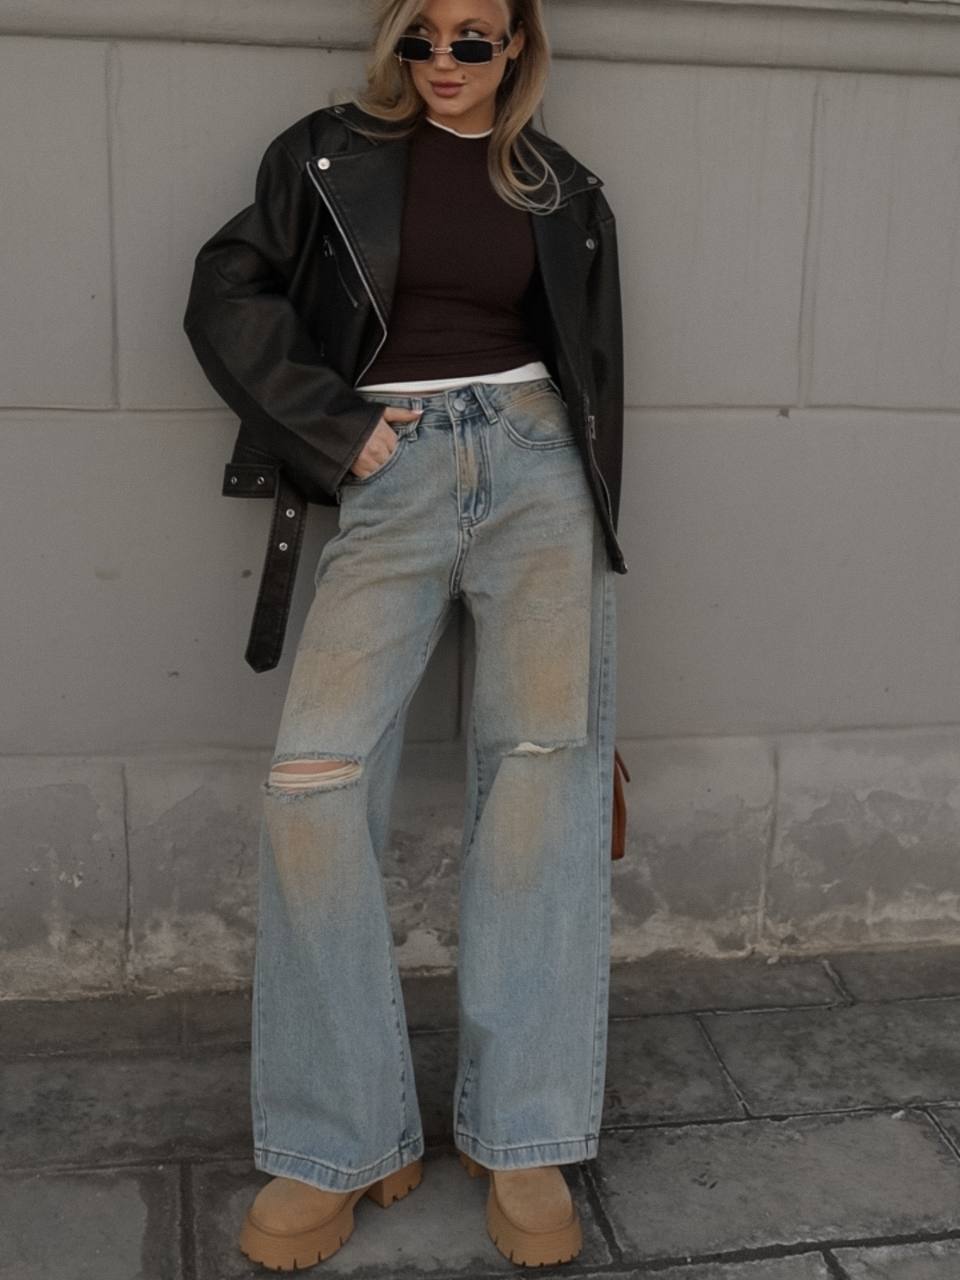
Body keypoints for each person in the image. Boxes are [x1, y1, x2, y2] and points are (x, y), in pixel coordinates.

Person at [182, 0, 627, 1269]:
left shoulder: (564, 188)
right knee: (312, 787)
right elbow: (225, 289)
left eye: (471, 38)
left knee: (541, 784)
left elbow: (597, 376)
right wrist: (339, 430)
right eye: (421, 34)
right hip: (393, 467)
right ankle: (339, 1138)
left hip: (537, 468)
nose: (442, 60)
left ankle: (524, 1131)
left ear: (517, 45)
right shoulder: (326, 152)